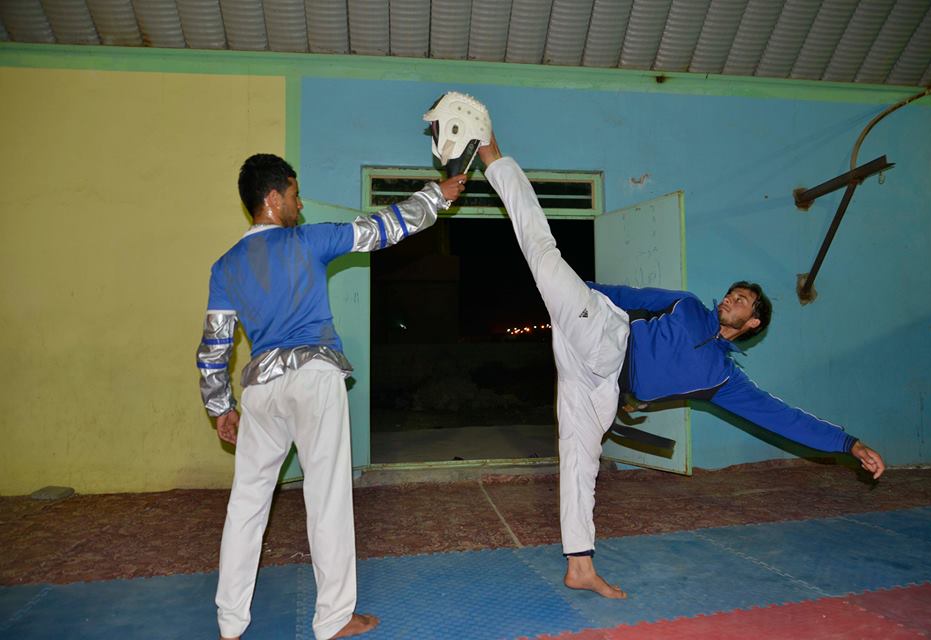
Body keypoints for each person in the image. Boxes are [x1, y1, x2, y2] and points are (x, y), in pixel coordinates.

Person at [472, 130, 885, 600]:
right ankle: (489, 149)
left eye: (744, 301)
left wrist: (848, 444)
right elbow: (627, 297)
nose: (734, 297)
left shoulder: (722, 377)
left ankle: (580, 565)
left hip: (600, 387)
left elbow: (781, 416)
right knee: (546, 258)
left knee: (581, 462)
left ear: (751, 324)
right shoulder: (686, 307)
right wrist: (571, 291)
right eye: (735, 291)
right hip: (605, 336)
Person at [196, 153, 466, 639]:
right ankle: (335, 618)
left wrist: (220, 408)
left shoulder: (225, 267)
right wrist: (435, 197)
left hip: (260, 391)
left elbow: (214, 347)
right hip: (314, 380)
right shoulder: (308, 239)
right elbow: (379, 228)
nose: (300, 204)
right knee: (327, 499)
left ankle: (229, 622)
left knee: (247, 504)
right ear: (274, 198)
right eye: (295, 194)